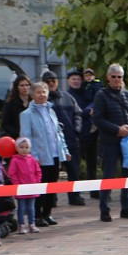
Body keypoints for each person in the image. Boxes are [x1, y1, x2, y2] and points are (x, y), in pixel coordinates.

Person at [93, 63, 128, 222]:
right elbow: (98, 119)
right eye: (113, 76)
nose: (116, 79)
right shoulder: (101, 95)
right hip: (109, 142)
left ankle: (126, 208)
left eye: (119, 76)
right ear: (108, 77)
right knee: (108, 175)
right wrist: (116, 129)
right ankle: (104, 210)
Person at [21, 82, 70, 227]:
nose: (42, 95)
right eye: (38, 92)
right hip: (40, 156)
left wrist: (65, 150)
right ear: (32, 94)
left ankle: (47, 214)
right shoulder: (26, 114)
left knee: (52, 186)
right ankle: (37, 215)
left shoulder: (51, 111)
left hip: (54, 153)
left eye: (44, 92)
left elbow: (58, 133)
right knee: (40, 187)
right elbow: (26, 136)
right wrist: (34, 156)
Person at [44, 70, 85, 206]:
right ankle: (51, 198)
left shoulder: (67, 97)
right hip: (51, 143)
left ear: (57, 82)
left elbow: (78, 114)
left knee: (73, 171)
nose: (51, 84)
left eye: (53, 81)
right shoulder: (42, 100)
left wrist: (77, 130)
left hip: (70, 140)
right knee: (52, 173)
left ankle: (75, 196)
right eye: (47, 81)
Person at [68, 69, 98, 191]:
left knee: (92, 163)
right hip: (77, 135)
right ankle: (75, 192)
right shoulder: (67, 96)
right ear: (68, 81)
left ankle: (94, 189)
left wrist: (91, 107)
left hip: (92, 132)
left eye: (78, 79)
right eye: (73, 79)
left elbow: (95, 101)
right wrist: (87, 111)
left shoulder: (87, 91)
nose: (76, 81)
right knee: (75, 165)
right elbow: (76, 113)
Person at [7, 136, 42, 234]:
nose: (24, 150)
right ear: (17, 148)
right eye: (21, 147)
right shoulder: (15, 160)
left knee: (31, 207)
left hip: (32, 188)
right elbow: (12, 173)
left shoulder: (32, 160)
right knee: (21, 208)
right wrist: (17, 185)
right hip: (21, 189)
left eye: (26, 147)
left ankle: (32, 224)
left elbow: (38, 171)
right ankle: (21, 225)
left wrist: (37, 182)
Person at [0, 74, 32, 139]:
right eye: (22, 85)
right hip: (17, 138)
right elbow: (5, 124)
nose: (25, 88)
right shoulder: (10, 104)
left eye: (27, 85)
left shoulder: (34, 103)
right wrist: (16, 133)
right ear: (17, 87)